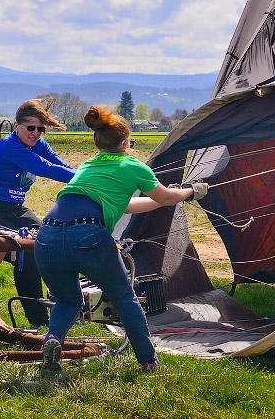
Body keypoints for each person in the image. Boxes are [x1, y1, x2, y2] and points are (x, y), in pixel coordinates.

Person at [34, 105, 207, 375]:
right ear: (126, 142)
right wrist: (190, 192)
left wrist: (166, 198)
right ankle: (148, 361)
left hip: (47, 236)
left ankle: (53, 339)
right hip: (88, 235)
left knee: (69, 300)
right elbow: (166, 197)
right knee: (125, 298)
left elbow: (126, 205)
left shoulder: (89, 165)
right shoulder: (133, 165)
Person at [0, 97, 76, 326]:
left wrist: (88, 177)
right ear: (17, 125)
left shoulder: (38, 143)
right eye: (30, 128)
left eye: (41, 129)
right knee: (26, 249)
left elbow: (60, 165)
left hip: (16, 209)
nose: (35, 133)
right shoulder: (10, 147)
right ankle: (38, 319)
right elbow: (46, 169)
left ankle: (55, 304)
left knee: (47, 238)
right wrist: (84, 177)